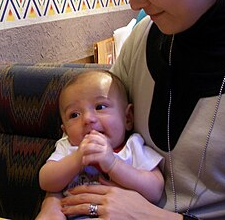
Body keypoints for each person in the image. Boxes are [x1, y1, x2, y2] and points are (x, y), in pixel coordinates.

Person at [36, 0, 225, 219]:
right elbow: (86, 137)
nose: (133, 2)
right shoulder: (142, 41)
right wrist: (54, 202)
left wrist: (150, 216)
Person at [38, 69, 164, 219]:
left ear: (128, 118)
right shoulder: (68, 147)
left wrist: (113, 164)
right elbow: (45, 181)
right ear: (65, 131)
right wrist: (78, 159)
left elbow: (155, 190)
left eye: (100, 107)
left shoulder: (133, 146)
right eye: (74, 115)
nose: (88, 119)